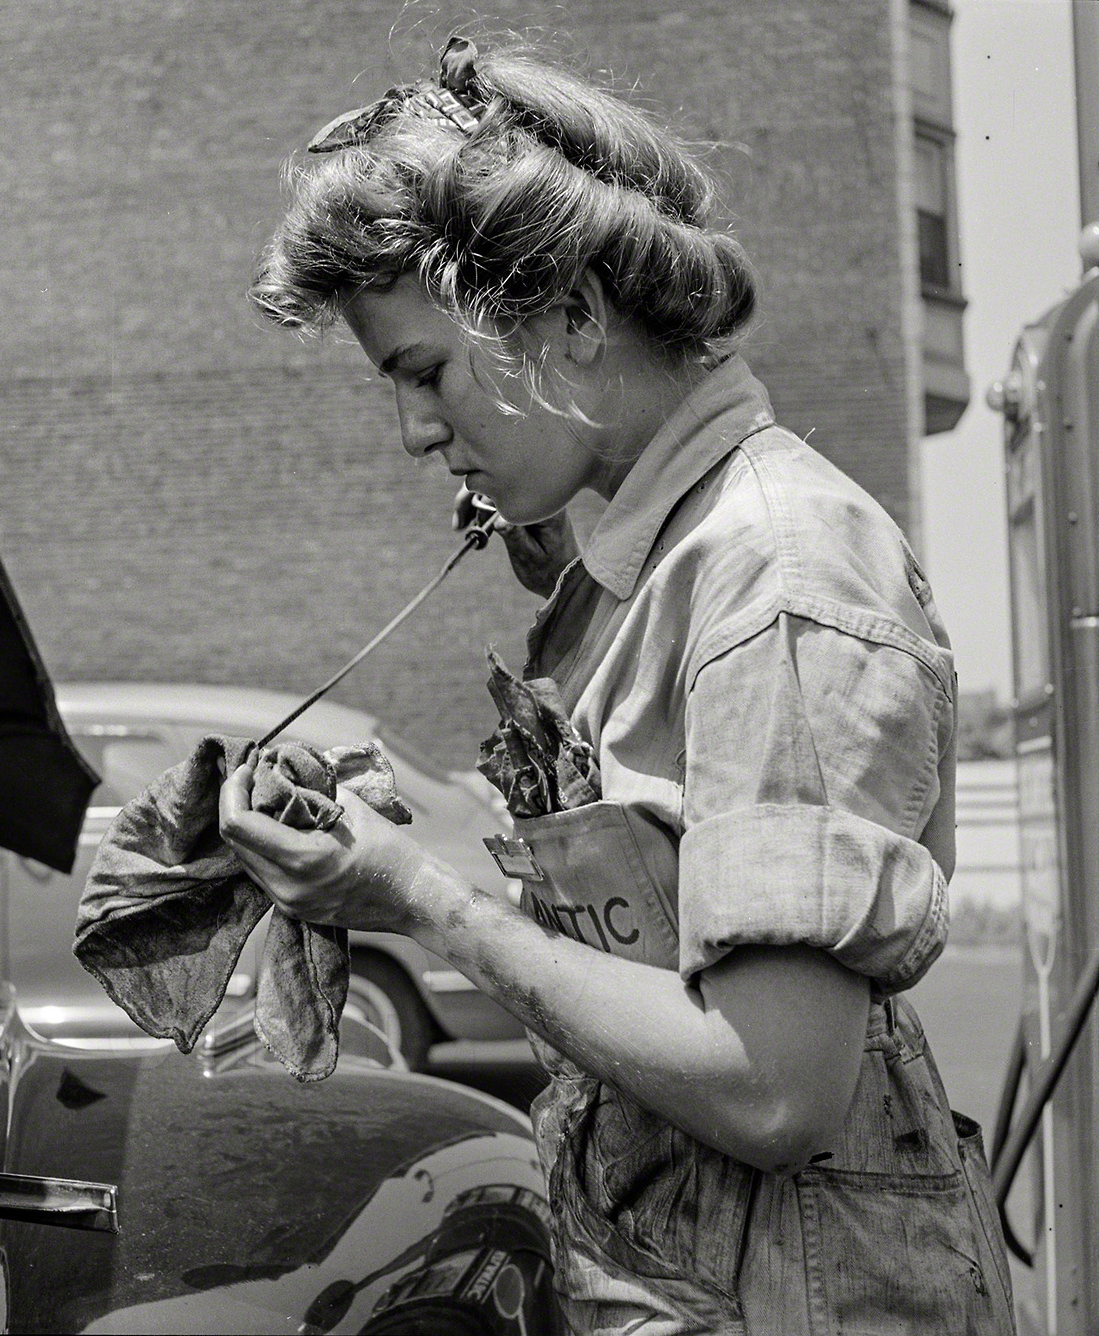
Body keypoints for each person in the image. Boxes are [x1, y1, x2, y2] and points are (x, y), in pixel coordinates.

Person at [225, 33, 1017, 1335]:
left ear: (577, 316)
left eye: (421, 373)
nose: (418, 432)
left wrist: (419, 898)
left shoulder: (772, 573)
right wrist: (375, 850)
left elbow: (770, 1086)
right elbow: (651, 956)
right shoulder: (656, 567)